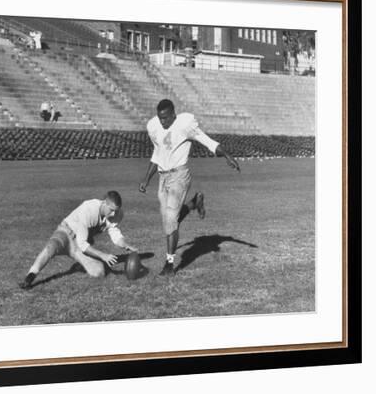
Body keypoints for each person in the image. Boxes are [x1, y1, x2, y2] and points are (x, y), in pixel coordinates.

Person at [139, 99, 240, 276]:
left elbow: (207, 141)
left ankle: (169, 264)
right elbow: (157, 154)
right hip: (163, 177)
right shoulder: (154, 126)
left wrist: (228, 156)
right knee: (170, 222)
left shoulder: (185, 124)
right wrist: (146, 179)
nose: (162, 122)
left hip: (179, 175)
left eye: (166, 118)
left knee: (171, 219)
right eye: (160, 117)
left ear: (173, 114)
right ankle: (195, 202)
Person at [19, 191, 138, 290]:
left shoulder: (117, 214)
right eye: (111, 210)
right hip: (66, 234)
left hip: (78, 247)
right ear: (104, 203)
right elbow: (83, 245)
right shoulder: (89, 209)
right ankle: (30, 276)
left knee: (99, 272)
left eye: (116, 210)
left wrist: (125, 244)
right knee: (51, 247)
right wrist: (103, 255)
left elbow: (114, 233)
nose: (114, 214)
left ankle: (79, 265)